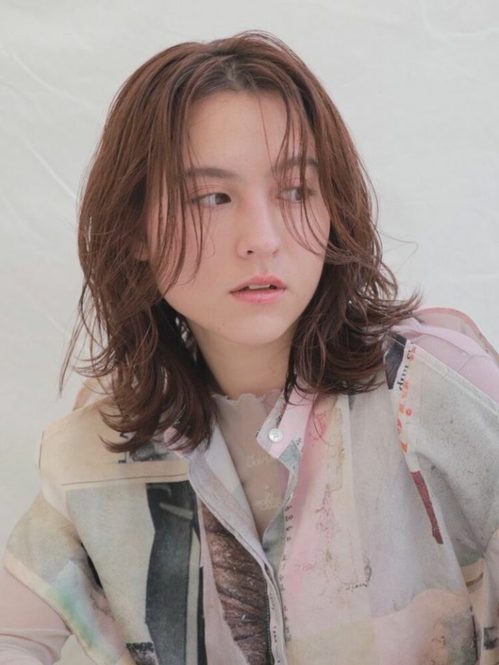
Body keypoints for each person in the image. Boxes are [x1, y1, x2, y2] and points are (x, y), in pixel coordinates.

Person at [1, 30, 498, 665]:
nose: (262, 237)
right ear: (135, 231)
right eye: (212, 197)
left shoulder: (436, 389)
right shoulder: (103, 446)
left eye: (296, 191)